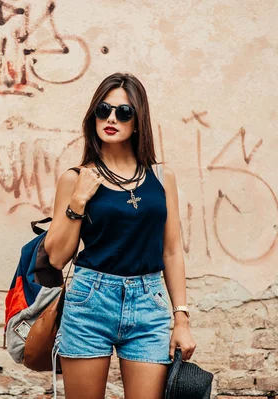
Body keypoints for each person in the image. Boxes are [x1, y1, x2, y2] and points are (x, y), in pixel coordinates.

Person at [44, 72, 196, 399]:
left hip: (148, 305)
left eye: (123, 112)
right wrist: (78, 202)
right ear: (93, 117)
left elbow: (171, 251)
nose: (112, 118)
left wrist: (181, 319)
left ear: (138, 121)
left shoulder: (161, 177)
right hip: (89, 300)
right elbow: (56, 257)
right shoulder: (75, 179)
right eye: (104, 110)